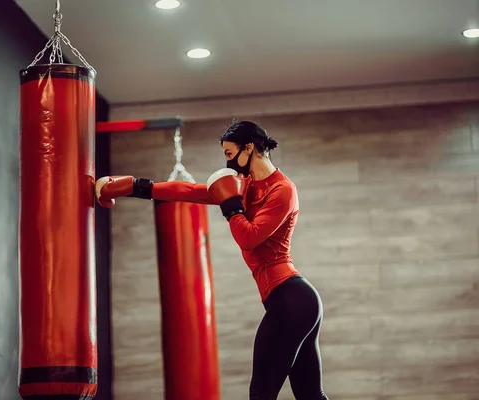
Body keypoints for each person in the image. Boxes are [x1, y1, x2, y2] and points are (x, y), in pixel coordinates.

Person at [95, 120, 329, 400]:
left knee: (262, 393)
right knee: (310, 395)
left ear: (249, 148)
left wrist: (231, 207)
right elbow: (190, 191)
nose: (228, 163)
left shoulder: (283, 190)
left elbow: (249, 237)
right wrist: (135, 186)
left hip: (291, 299)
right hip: (293, 301)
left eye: (230, 154)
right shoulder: (246, 186)